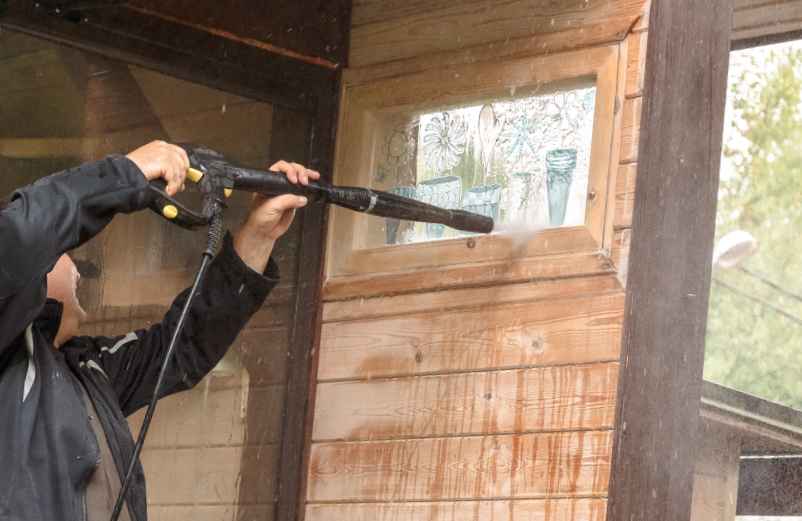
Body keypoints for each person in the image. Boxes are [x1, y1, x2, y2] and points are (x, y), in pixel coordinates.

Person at [0, 140, 319, 521]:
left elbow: (183, 345)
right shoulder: (8, 357)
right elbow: (20, 241)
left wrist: (259, 235)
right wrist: (125, 172)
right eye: (65, 249)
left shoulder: (85, 369)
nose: (80, 265)